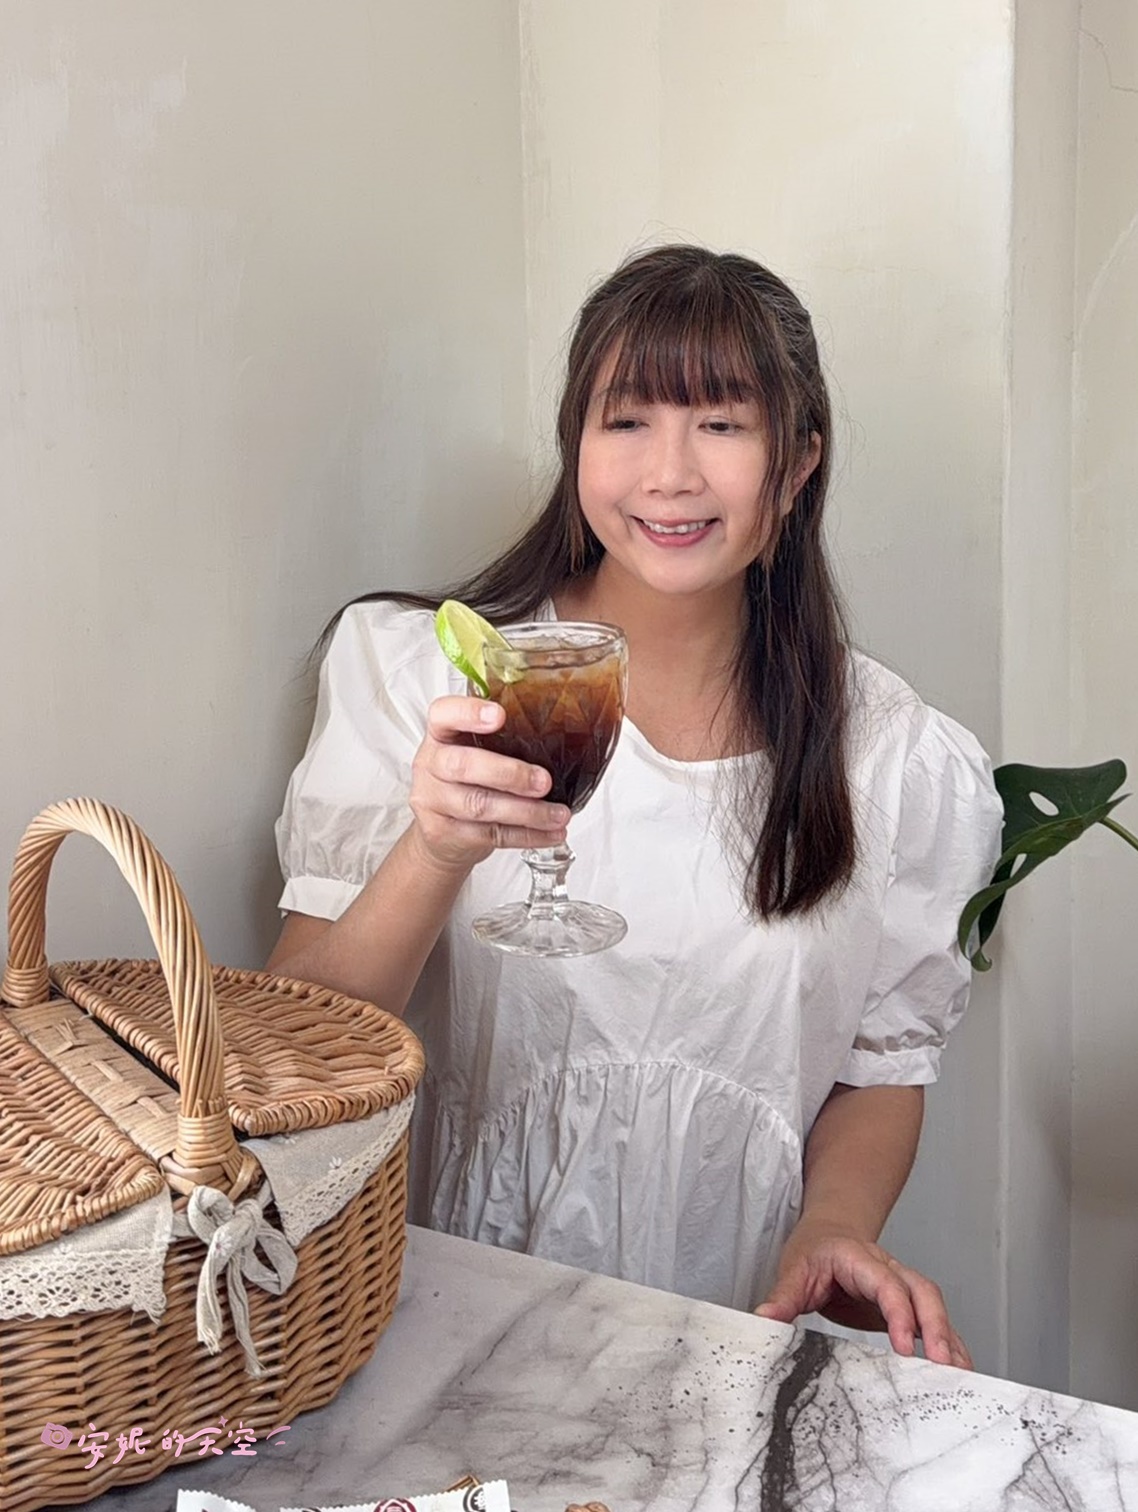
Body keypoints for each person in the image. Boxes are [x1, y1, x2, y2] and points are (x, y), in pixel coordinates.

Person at [269, 244, 1003, 1369]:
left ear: (798, 461)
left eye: (721, 424)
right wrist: (437, 848)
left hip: (738, 1328)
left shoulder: (894, 755)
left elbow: (879, 1071)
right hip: (452, 1323)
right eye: (626, 421)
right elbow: (299, 1045)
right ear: (576, 442)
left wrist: (833, 1228)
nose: (669, 474)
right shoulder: (425, 678)